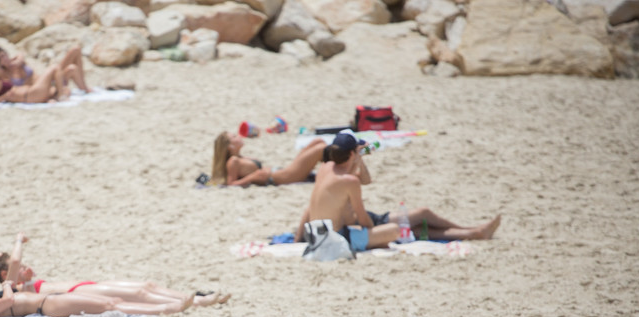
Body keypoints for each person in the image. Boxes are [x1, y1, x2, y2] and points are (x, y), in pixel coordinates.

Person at [295, 132, 502, 249]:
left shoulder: (326, 168)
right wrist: (372, 228)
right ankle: (474, 233)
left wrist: (359, 160)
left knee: (423, 213)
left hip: (342, 227)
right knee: (400, 230)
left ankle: (470, 229)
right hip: (343, 235)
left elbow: (365, 180)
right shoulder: (349, 180)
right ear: (350, 153)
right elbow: (363, 218)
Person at [0, 233, 230, 310]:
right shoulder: (11, 286)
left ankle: (197, 298)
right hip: (78, 290)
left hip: (84, 285)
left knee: (146, 286)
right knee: (139, 293)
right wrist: (19, 240)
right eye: (20, 268)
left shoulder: (21, 283)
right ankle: (193, 303)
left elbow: (15, 263)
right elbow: (14, 260)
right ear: (5, 275)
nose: (24, 267)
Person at [0, 281, 192, 317]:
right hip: (47, 304)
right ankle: (166, 308)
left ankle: (167, 306)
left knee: (112, 302)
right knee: (110, 305)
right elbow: (8, 302)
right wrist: (7, 286)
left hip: (49, 300)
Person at [211, 132, 332, 187]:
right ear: (230, 146)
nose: (239, 136)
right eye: (234, 137)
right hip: (280, 177)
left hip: (279, 171)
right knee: (320, 149)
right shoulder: (233, 161)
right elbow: (231, 184)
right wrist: (252, 177)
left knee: (318, 141)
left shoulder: (239, 157)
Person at [0, 45, 91, 94]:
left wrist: (17, 62)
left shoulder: (17, 61)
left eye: (5, 54)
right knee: (72, 69)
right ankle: (86, 90)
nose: (5, 58)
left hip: (50, 79)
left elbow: (21, 55)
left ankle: (85, 88)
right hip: (44, 87)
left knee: (76, 49)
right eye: (1, 57)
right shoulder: (3, 74)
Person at [0, 53, 67, 103]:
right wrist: (4, 97)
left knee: (65, 90)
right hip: (30, 95)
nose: (2, 69)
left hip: (31, 94)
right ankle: (60, 97)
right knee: (55, 67)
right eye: (0, 67)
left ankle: (58, 96)